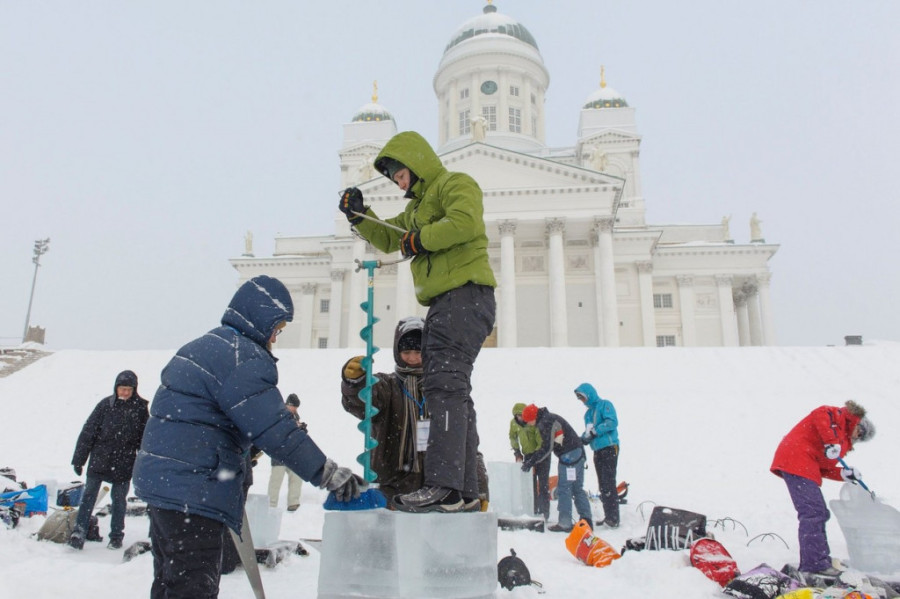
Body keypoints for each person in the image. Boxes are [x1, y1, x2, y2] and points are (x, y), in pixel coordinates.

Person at [133, 275, 362, 598]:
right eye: (277, 329)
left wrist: (241, 448)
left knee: (170, 583)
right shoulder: (242, 358)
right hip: (194, 493)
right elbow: (276, 430)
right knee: (192, 588)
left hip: (164, 487)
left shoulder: (203, 346)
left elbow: (201, 418)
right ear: (261, 319)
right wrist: (325, 472)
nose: (275, 338)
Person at [338, 130, 496, 513]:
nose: (398, 182)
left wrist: (421, 239)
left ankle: (444, 485)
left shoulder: (455, 184)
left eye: (400, 173)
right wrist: (359, 215)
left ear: (416, 162)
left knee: (443, 387)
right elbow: (390, 238)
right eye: (393, 177)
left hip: (463, 295)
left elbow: (464, 222)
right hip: (448, 300)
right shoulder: (416, 210)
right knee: (452, 389)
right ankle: (463, 490)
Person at [341, 316, 490, 509]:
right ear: (397, 352)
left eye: (418, 352)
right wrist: (355, 382)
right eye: (406, 352)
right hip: (391, 490)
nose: (412, 358)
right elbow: (361, 402)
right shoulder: (386, 386)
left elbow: (467, 443)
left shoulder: (445, 390)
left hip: (436, 492)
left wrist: (479, 487)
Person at [770, 400, 876, 576]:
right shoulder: (839, 418)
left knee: (818, 513)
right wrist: (831, 442)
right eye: (860, 430)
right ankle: (814, 564)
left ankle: (820, 560)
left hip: (805, 466)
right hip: (796, 459)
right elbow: (820, 413)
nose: (858, 435)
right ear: (858, 422)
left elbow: (823, 468)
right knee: (813, 513)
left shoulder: (840, 443)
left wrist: (844, 474)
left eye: (861, 436)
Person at [69, 369, 149, 550]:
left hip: (124, 463)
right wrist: (79, 460)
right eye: (122, 389)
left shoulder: (140, 409)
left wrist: (145, 465)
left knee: (119, 501)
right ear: (116, 388)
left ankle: (116, 536)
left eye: (129, 389)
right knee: (88, 497)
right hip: (100, 460)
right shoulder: (105, 405)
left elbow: (144, 440)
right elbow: (88, 432)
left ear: (134, 389)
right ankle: (79, 532)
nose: (125, 393)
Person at [520, 403, 592, 532]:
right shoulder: (550, 417)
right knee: (577, 488)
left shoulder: (545, 422)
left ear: (532, 417)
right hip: (578, 453)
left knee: (564, 488)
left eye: (528, 421)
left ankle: (565, 523)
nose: (529, 424)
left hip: (569, 456)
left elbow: (547, 448)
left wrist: (531, 462)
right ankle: (587, 521)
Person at [576, 383, 620, 528]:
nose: (582, 401)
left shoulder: (605, 405)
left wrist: (595, 432)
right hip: (597, 450)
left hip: (609, 448)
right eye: (580, 398)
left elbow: (612, 422)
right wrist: (583, 438)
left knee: (608, 482)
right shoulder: (588, 414)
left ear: (589, 394)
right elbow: (588, 431)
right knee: (602, 484)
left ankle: (613, 518)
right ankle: (608, 515)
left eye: (583, 397)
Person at [509, 402, 550, 520]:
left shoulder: (532, 422)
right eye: (518, 416)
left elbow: (540, 440)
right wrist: (517, 452)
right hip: (527, 456)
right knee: (529, 485)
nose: (520, 418)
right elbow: (513, 437)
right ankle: (533, 509)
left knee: (543, 484)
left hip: (541, 455)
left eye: (522, 415)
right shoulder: (514, 424)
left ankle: (544, 512)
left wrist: (536, 457)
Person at [267, 393, 306, 511]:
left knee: (296, 477)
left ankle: (293, 502)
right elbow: (278, 432)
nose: (295, 409)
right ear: (288, 404)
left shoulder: (295, 417)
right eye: (294, 406)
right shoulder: (279, 415)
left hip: (292, 453)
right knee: (276, 481)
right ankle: (271, 504)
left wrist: (301, 430)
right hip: (279, 453)